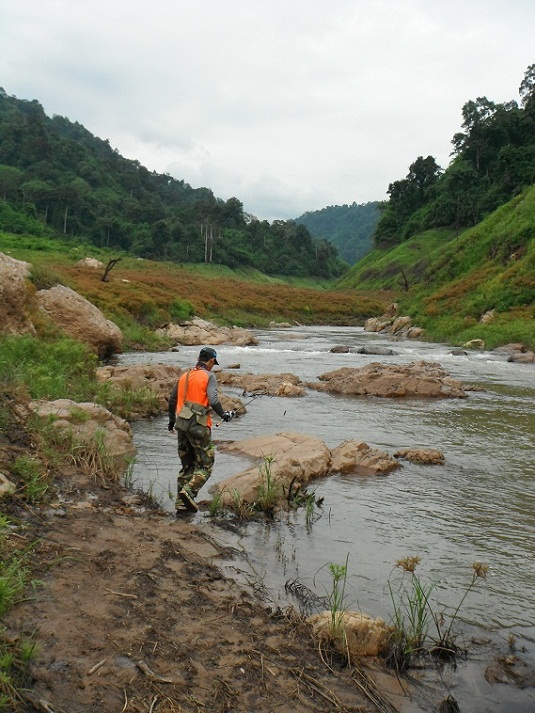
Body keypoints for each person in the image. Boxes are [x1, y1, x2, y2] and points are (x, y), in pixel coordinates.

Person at [168, 347, 234, 513]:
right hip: (199, 426)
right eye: (213, 363)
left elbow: (173, 399)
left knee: (187, 466)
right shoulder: (209, 376)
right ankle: (189, 492)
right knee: (206, 465)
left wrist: (171, 422)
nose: (213, 366)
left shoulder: (185, 375)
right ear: (211, 361)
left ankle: (181, 504)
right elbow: (213, 399)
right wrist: (224, 415)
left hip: (181, 424)